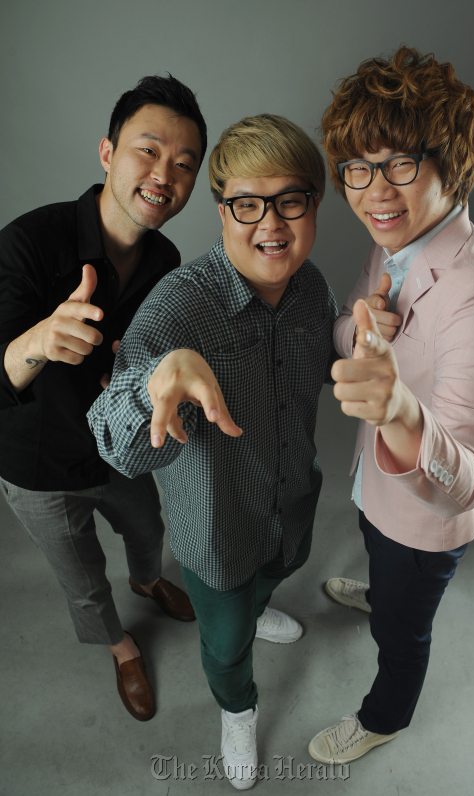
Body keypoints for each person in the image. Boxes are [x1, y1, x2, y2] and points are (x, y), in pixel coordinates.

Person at [88, 113, 337, 789]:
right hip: (219, 533)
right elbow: (112, 439)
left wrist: (365, 337)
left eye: (290, 201)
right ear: (222, 208)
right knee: (225, 643)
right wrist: (149, 388)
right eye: (248, 204)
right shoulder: (176, 308)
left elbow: (324, 366)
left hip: (290, 506)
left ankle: (260, 610)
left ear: (313, 205)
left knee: (274, 577)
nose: (271, 225)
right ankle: (237, 706)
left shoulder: (314, 289)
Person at [308, 46, 474, 764]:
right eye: (357, 167)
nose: (373, 191)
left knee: (403, 632)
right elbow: (352, 334)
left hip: (424, 522)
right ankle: (381, 594)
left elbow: (472, 479)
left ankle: (385, 716)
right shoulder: (397, 240)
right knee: (379, 564)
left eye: (399, 164)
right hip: (377, 490)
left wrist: (399, 414)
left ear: (452, 162)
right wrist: (357, 328)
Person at [0, 75, 208, 722]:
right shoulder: (28, 243)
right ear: (108, 153)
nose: (163, 174)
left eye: (184, 164)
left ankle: (147, 582)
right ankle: (120, 648)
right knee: (84, 579)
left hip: (119, 453)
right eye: (148, 150)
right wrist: (38, 341)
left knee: (148, 532)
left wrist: (155, 378)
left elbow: (147, 359)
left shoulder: (166, 259)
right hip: (37, 470)